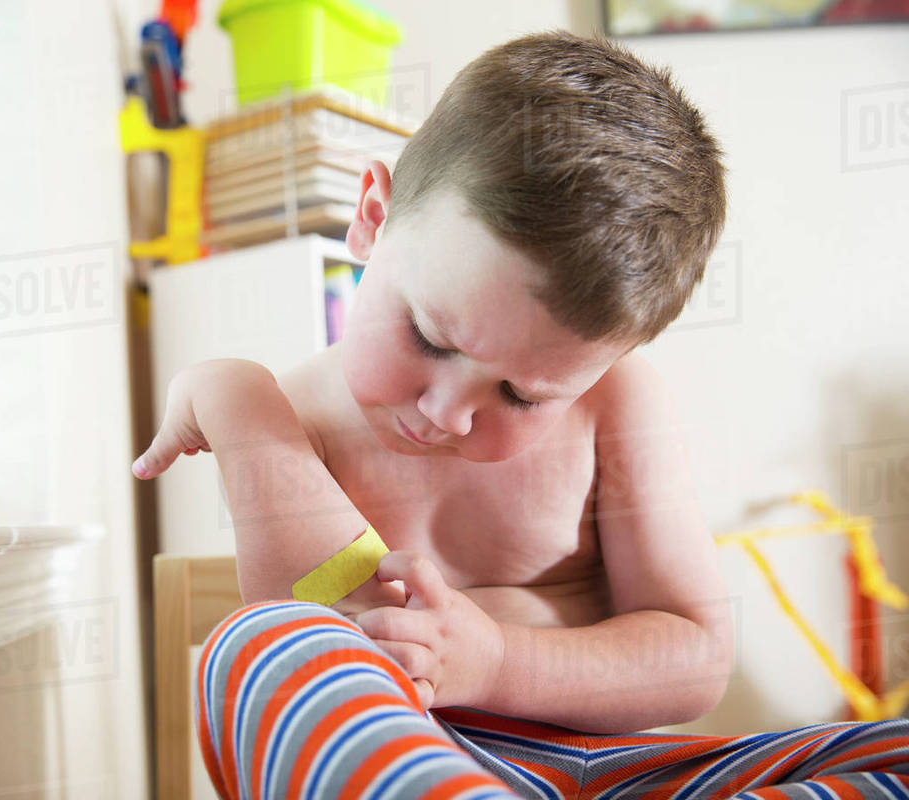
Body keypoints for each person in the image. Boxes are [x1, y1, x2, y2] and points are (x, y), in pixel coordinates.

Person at [133, 30, 909, 799]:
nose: (449, 414)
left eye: (522, 396)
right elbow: (319, 619)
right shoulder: (282, 416)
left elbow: (694, 655)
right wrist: (233, 399)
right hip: (404, 755)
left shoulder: (617, 406)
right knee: (255, 647)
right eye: (431, 338)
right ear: (372, 218)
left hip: (608, 767)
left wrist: (497, 659)